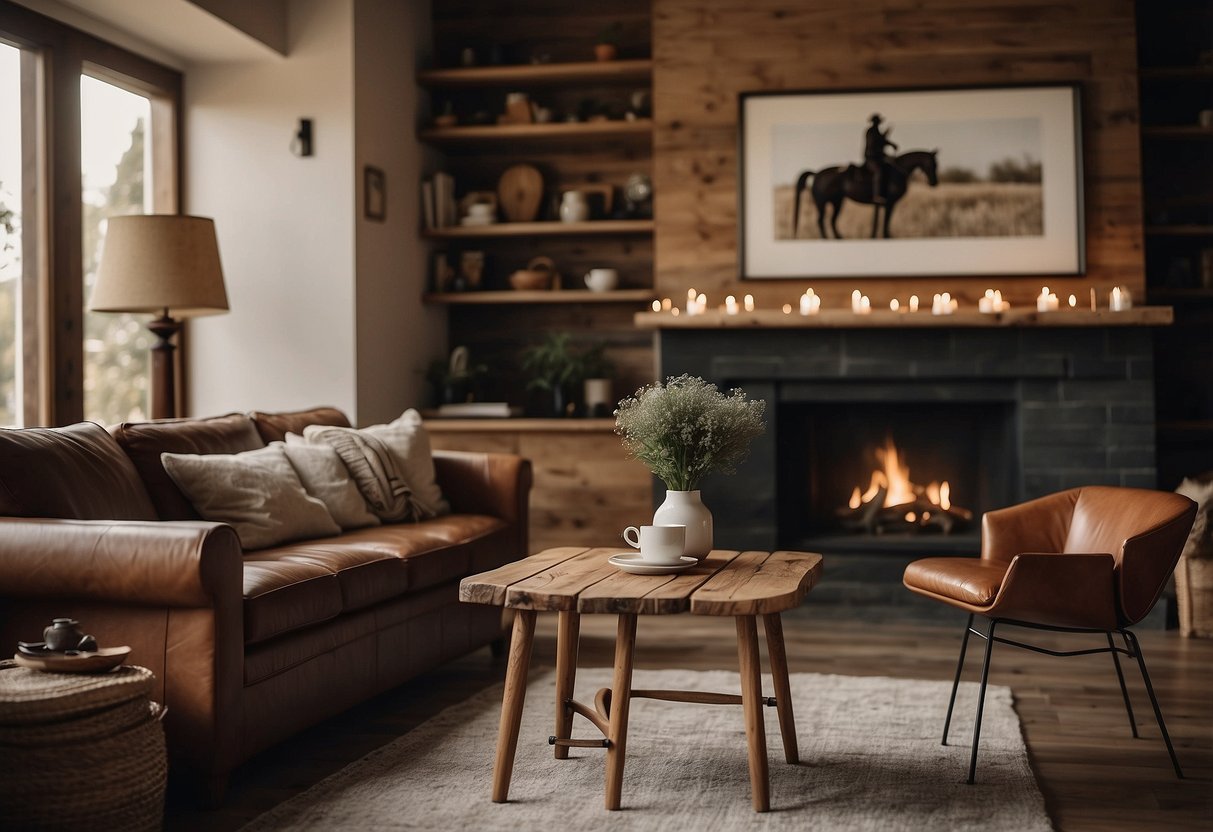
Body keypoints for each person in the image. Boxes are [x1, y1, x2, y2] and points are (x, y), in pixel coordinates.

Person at [863, 114, 898, 204]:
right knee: (879, 171)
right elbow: (877, 143)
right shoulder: (871, 131)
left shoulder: (876, 131)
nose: (878, 123)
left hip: (877, 157)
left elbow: (881, 141)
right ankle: (876, 195)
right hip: (871, 158)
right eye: (877, 121)